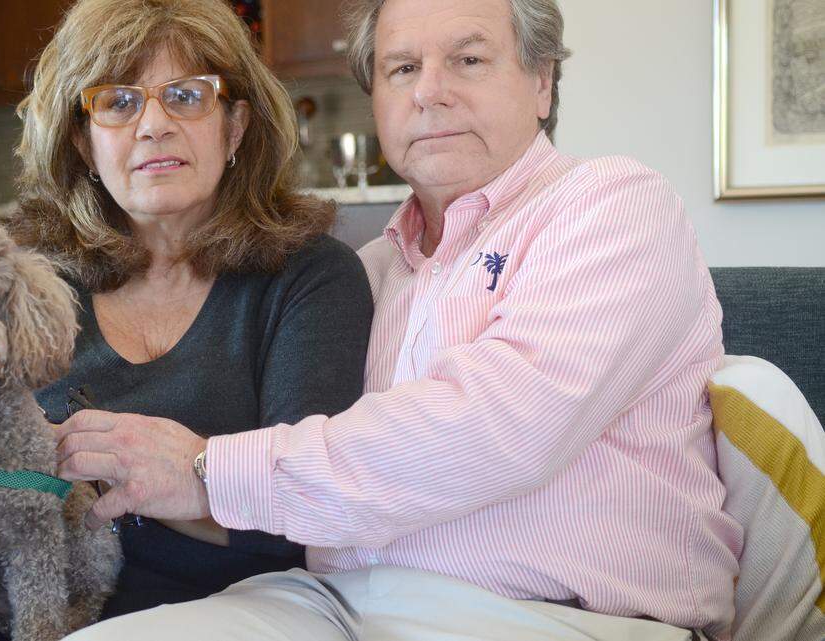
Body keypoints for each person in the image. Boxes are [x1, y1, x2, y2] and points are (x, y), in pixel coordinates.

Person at [55, 0, 745, 640]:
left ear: (542, 80)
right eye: (402, 68)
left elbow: (495, 425)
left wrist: (209, 471)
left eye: (468, 60)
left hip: (558, 615)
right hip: (334, 603)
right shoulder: (373, 272)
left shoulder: (611, 207)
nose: (430, 90)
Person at [0, 0, 373, 638]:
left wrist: (189, 481)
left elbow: (313, 513)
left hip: (202, 612)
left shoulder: (310, 277)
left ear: (236, 126)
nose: (153, 126)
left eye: (187, 96)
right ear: (83, 140)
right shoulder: (10, 275)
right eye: (118, 102)